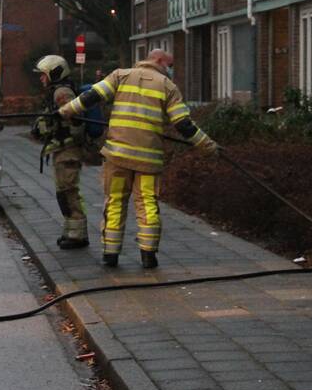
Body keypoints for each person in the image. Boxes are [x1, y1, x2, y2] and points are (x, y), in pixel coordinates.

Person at [58, 49, 219, 269]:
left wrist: (65, 111)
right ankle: (148, 255)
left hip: (117, 157)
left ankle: (110, 254)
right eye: (170, 65)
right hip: (148, 161)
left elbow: (91, 97)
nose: (171, 69)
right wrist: (209, 146)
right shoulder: (168, 87)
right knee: (147, 204)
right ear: (159, 60)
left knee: (115, 201)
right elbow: (184, 125)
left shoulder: (120, 75)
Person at [31, 55, 89, 250]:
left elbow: (76, 121)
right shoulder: (57, 91)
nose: (41, 78)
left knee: (68, 192)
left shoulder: (62, 93)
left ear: (54, 73)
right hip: (62, 149)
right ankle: (72, 231)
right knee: (64, 192)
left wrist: (52, 126)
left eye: (43, 74)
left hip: (68, 150)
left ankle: (78, 235)